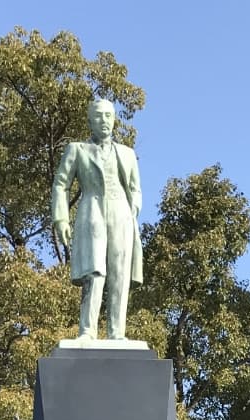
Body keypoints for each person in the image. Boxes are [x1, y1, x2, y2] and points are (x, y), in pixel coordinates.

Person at [51, 97, 143, 340]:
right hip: (92, 212)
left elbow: (135, 188)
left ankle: (117, 333)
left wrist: (134, 207)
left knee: (120, 272)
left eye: (108, 116)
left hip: (121, 214)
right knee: (95, 271)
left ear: (114, 120)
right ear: (90, 120)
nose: (104, 121)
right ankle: (88, 331)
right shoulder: (77, 149)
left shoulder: (127, 153)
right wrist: (61, 218)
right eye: (99, 115)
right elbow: (61, 183)